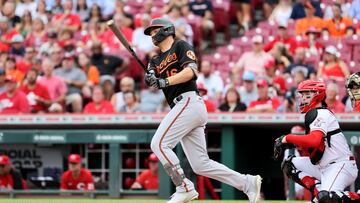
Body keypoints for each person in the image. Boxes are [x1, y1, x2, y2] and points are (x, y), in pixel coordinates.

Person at [143, 18, 261, 203]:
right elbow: (152, 78)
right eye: (149, 32)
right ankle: (247, 183)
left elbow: (191, 72)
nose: (151, 34)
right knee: (201, 165)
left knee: (158, 144)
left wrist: (164, 81)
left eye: (153, 30)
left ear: (165, 30)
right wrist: (150, 78)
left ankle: (184, 187)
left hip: (189, 102)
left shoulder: (180, 45)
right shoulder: (155, 59)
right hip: (183, 108)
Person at [277, 80, 360, 202]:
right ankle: (318, 190)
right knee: (289, 164)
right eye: (302, 94)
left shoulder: (321, 113)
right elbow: (316, 148)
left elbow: (314, 140)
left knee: (326, 199)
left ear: (318, 95)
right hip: (323, 165)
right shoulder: (313, 114)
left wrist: (287, 138)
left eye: (307, 94)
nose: (303, 98)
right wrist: (294, 144)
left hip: (340, 165)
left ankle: (356, 197)